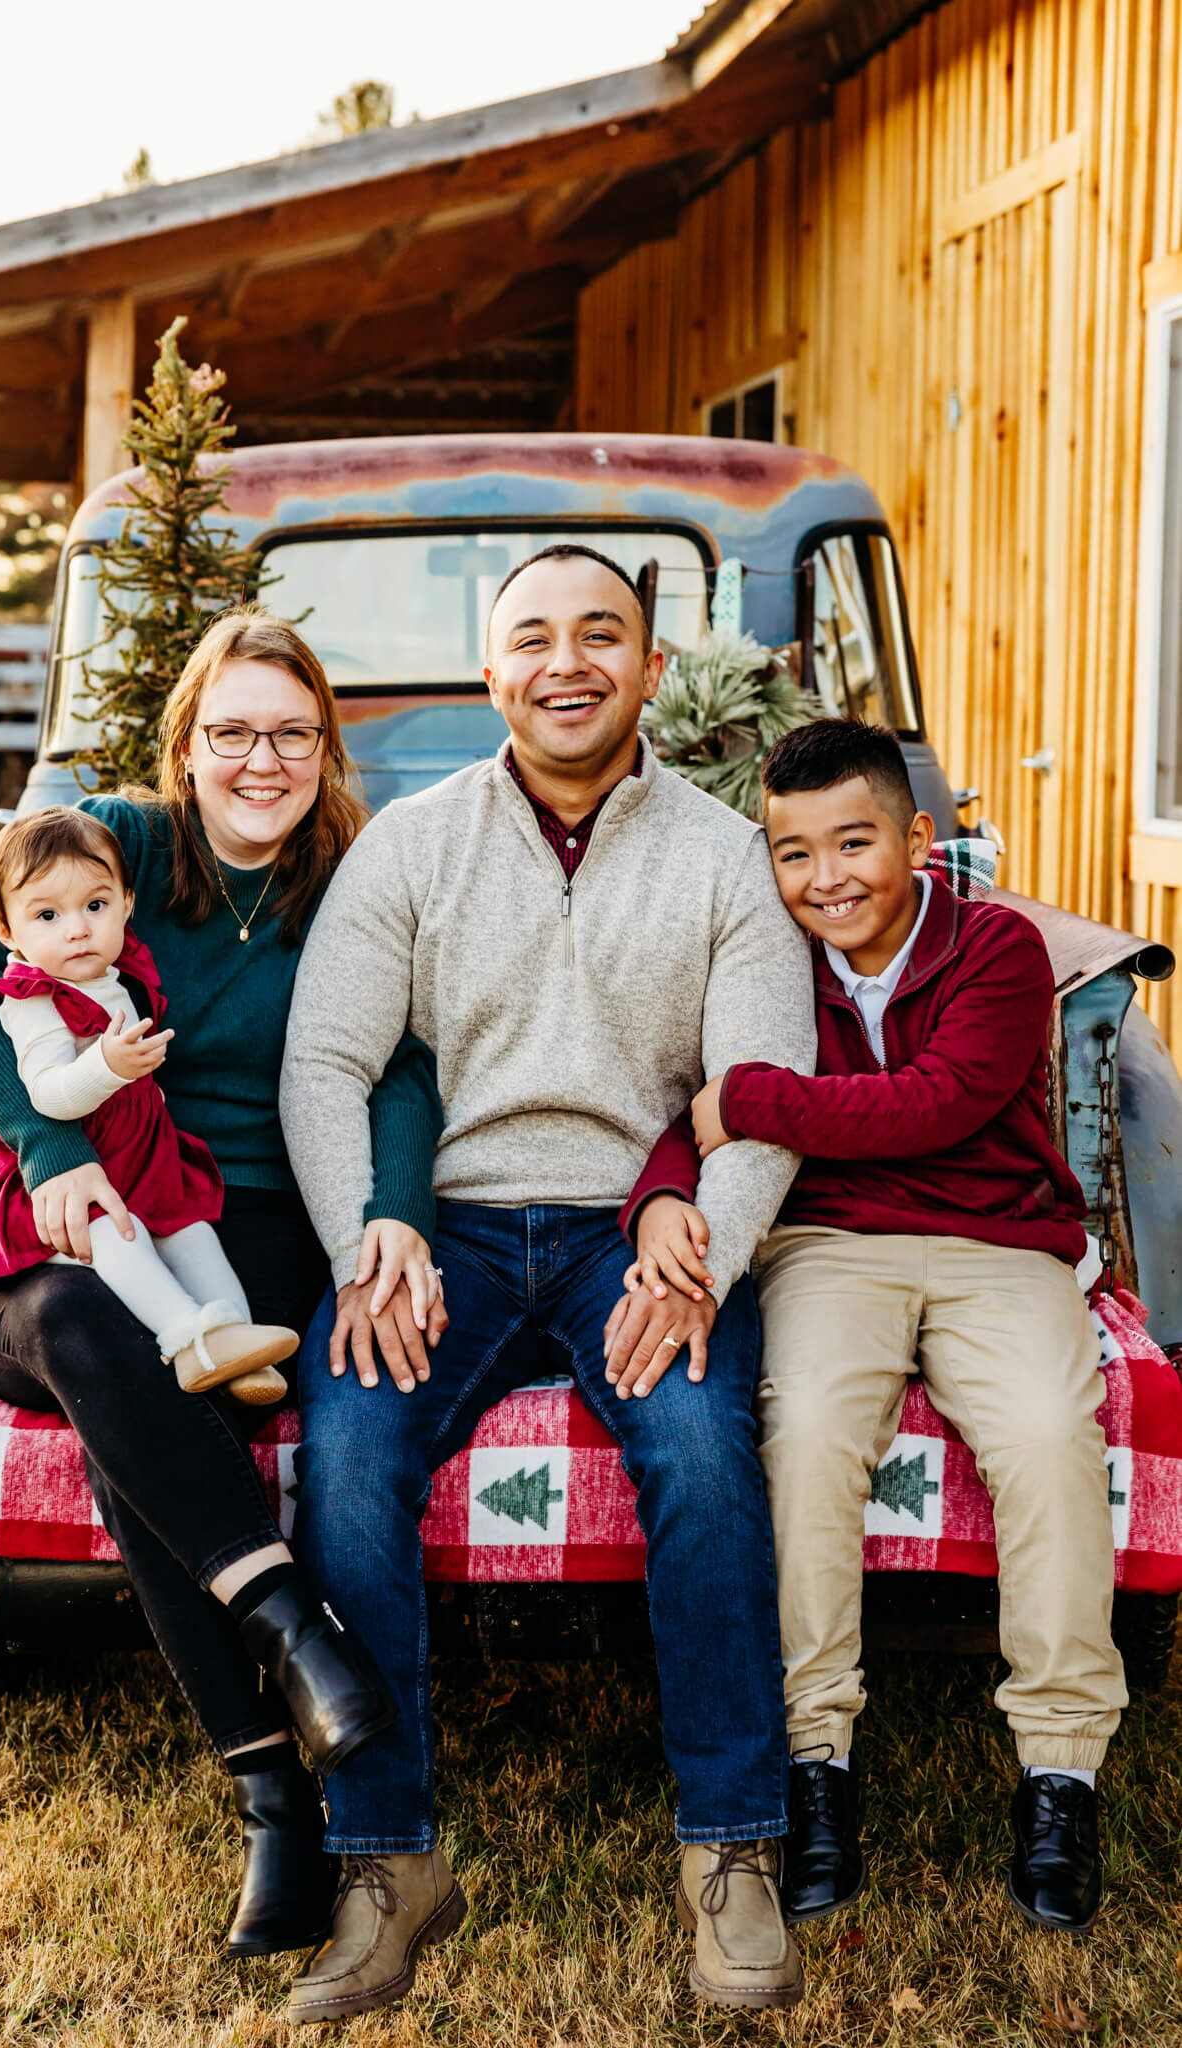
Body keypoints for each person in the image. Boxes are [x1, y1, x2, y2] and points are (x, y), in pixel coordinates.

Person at [279, 543, 817, 2023]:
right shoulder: (411, 842)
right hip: (442, 1225)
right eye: (533, 637)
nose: (566, 661)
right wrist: (359, 1240)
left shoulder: (720, 852)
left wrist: (705, 1249)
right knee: (346, 1449)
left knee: (707, 1453)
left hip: (635, 1231)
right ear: (491, 670)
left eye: (602, 636)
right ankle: (387, 1862)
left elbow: (761, 1082)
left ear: (651, 667)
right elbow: (328, 1059)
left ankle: (730, 1848)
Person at [0, 607, 447, 1958]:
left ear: (325, 745)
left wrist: (388, 1213)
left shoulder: (351, 873)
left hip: (232, 1217)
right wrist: (44, 1150)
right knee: (99, 1329)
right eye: (230, 733)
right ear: (186, 744)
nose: (259, 760)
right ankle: (293, 1644)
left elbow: (399, 1062)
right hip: (47, 1231)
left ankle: (272, 1784)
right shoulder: (121, 845)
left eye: (288, 733)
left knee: (143, 1403)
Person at [617, 717, 1126, 1936]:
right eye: (795, 854)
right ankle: (817, 1760)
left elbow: (938, 1103)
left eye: (855, 841)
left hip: (996, 1242)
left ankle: (1059, 1768)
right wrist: (661, 1199)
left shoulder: (996, 945)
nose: (827, 877)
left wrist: (754, 1098)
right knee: (804, 1433)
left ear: (920, 838)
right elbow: (677, 1106)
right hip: (829, 1245)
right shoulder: (763, 957)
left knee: (1053, 1430)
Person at [0, 804, 298, 1400]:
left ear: (126, 904)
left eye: (95, 905)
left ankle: (241, 1348)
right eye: (47, 914)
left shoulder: (109, 973)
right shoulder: (33, 996)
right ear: (6, 930)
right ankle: (187, 1339)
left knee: (191, 1232)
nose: (77, 929)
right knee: (121, 1233)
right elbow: (51, 1094)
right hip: (73, 1174)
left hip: (137, 1154)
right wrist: (110, 1067)